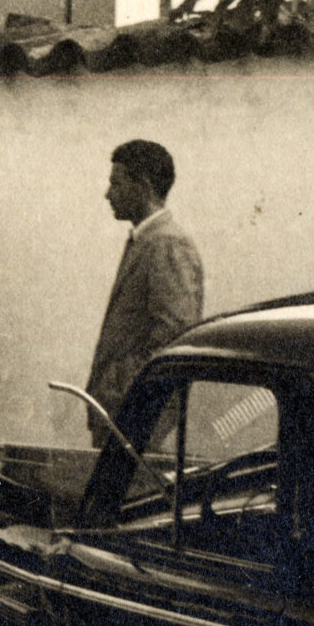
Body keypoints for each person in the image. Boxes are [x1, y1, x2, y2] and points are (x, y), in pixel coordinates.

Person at [85, 139, 204, 428]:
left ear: (145, 186)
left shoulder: (167, 244)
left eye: (117, 183)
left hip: (138, 418)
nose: (107, 194)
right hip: (126, 413)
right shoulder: (148, 240)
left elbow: (173, 341)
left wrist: (118, 390)